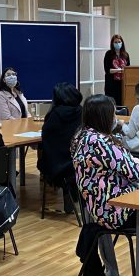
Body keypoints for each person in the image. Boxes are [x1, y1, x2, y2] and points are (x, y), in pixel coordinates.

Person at [72, 94, 139, 276]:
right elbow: (136, 171)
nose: (115, 117)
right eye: (113, 113)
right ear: (104, 116)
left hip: (99, 207)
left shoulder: (81, 137)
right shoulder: (101, 142)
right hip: (118, 210)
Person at [38, 82, 83, 213]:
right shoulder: (81, 112)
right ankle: (73, 204)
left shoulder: (54, 115)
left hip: (56, 165)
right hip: (77, 162)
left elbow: (46, 138)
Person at [103, 34, 130, 105]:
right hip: (111, 84)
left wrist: (123, 71)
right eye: (115, 42)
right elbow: (107, 70)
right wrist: (120, 70)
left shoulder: (126, 55)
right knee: (111, 103)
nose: (117, 44)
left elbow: (128, 69)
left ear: (122, 43)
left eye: (119, 42)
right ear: (112, 43)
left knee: (121, 102)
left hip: (122, 83)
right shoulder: (108, 54)